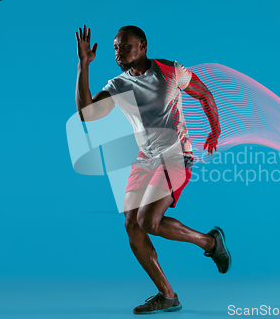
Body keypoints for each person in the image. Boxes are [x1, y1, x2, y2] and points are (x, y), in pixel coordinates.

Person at [74, 24, 231, 315]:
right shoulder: (118, 85)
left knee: (149, 221)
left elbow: (205, 94)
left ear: (143, 46)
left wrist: (215, 129)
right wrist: (84, 65)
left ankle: (210, 242)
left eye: (125, 45)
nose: (118, 52)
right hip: (145, 159)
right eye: (115, 47)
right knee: (131, 225)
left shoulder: (168, 71)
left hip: (175, 155)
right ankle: (168, 295)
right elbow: (86, 114)